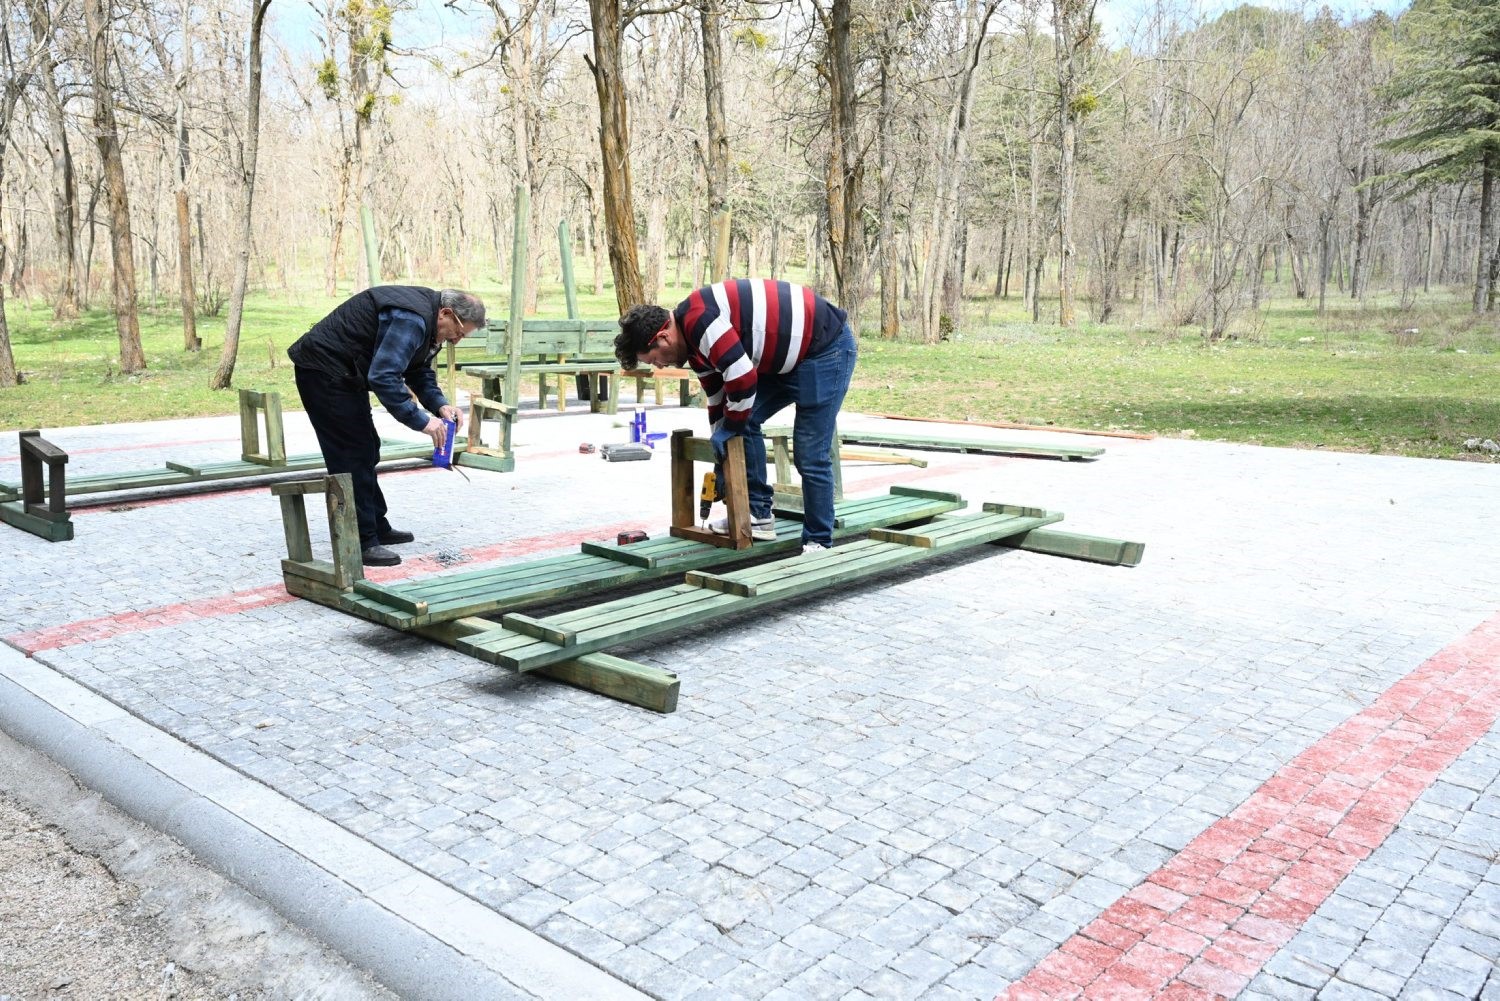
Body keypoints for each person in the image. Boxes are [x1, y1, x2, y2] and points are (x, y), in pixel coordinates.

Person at [615, 279, 857, 554]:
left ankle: (819, 540)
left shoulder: (699, 322)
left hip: (825, 349)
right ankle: (759, 516)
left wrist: (730, 428)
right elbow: (718, 399)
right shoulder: (694, 348)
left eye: (653, 359)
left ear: (663, 337)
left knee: (810, 453)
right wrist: (722, 455)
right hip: (787, 359)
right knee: (745, 419)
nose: (659, 366)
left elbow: (741, 377)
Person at [288, 286, 485, 567]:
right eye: (458, 332)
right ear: (446, 313)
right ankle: (362, 540)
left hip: (345, 373)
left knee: (368, 447)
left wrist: (439, 405)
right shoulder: (412, 319)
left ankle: (376, 525)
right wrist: (422, 421)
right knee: (351, 453)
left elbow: (417, 369)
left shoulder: (428, 322)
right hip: (323, 371)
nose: (456, 341)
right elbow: (384, 376)